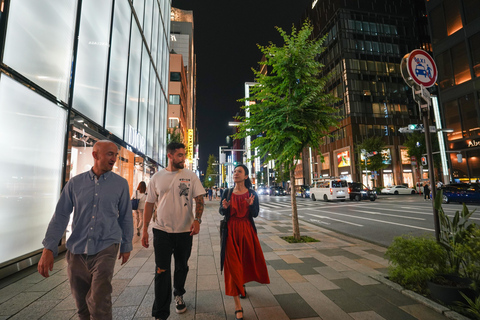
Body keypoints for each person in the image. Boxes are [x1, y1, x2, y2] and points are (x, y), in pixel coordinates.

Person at [38, 140, 133, 320]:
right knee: (82, 306)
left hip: (106, 246)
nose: (114, 158)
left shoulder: (120, 184)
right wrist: (48, 248)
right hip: (77, 250)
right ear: (95, 155)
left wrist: (127, 244)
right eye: (110, 154)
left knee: (99, 302)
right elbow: (60, 215)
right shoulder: (75, 183)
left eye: (116, 155)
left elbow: (125, 216)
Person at [142, 142, 205, 320]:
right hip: (161, 230)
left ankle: (178, 294)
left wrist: (197, 220)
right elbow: (148, 204)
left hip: (185, 231)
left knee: (181, 266)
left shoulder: (190, 176)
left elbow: (199, 199)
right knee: (161, 269)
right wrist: (145, 229)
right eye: (179, 155)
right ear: (169, 156)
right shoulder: (157, 177)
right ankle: (161, 313)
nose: (183, 158)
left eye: (184, 155)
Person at [219, 164, 270, 320]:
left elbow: (254, 214)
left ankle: (242, 285)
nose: (236, 173)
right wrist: (225, 207)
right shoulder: (227, 193)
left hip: (247, 231)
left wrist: (250, 205)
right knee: (232, 265)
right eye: (234, 171)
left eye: (239, 172)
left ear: (246, 176)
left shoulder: (252, 193)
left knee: (244, 262)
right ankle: (237, 306)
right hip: (231, 232)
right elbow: (222, 211)